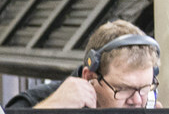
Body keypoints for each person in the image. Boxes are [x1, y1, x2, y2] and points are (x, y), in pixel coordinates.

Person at [24, 19, 161, 109]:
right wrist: (48, 109)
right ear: (90, 77)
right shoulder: (30, 104)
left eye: (145, 88)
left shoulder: (143, 109)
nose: (137, 101)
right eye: (123, 89)